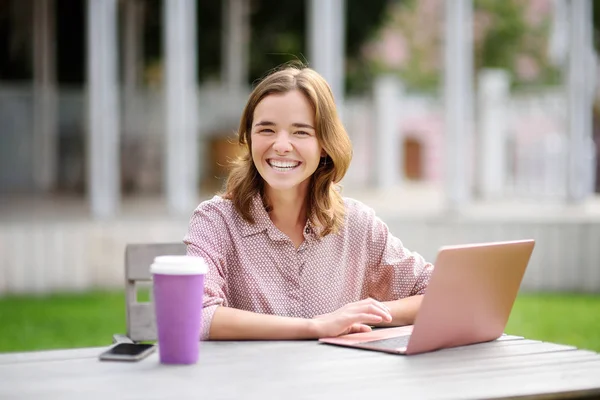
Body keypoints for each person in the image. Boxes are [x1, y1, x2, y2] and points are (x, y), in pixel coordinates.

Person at [184, 63, 434, 341]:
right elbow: (196, 315)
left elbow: (439, 293)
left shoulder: (357, 224)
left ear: (324, 144)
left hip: (335, 383)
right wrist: (316, 326)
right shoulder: (215, 221)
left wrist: (363, 313)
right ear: (249, 137)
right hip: (248, 381)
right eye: (266, 130)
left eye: (300, 132)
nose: (281, 145)